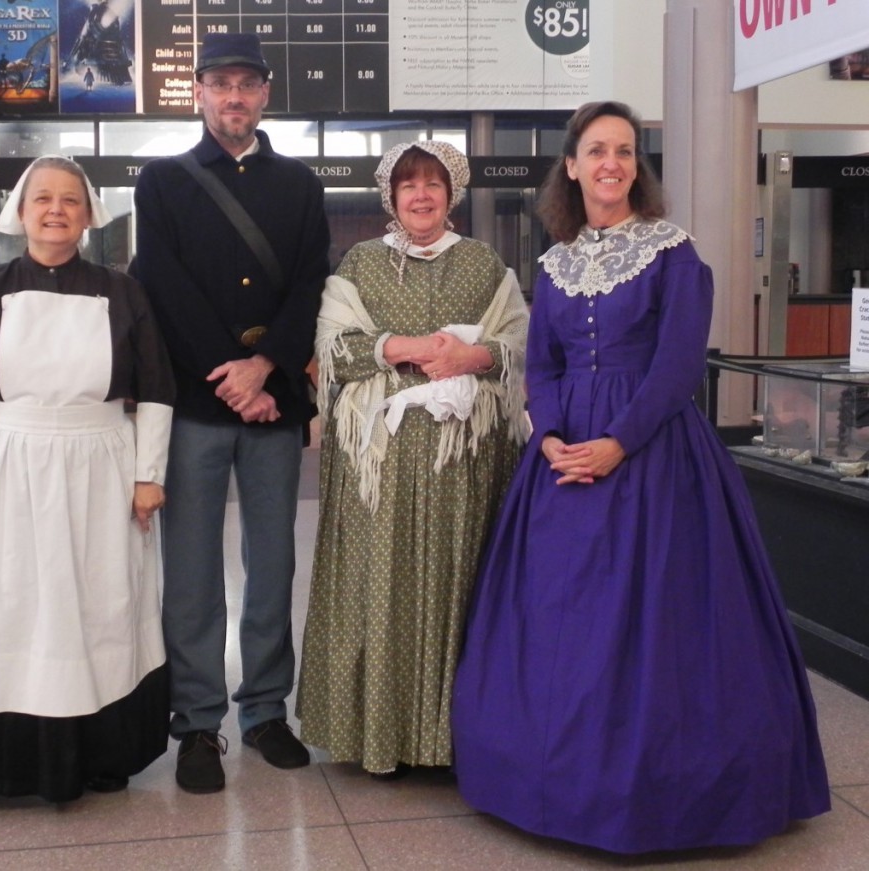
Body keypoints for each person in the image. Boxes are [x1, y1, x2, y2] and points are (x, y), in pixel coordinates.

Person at [451, 102, 831, 853]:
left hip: (654, 456)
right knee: (559, 613)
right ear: (572, 165)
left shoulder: (674, 254)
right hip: (562, 461)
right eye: (597, 150)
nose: (612, 164)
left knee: (660, 614)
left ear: (636, 166)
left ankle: (661, 788)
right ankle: (548, 778)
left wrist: (617, 442)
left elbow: (678, 365)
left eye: (625, 151)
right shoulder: (554, 262)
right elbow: (546, 360)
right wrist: (553, 434)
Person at [0, 155, 175, 820]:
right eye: (43, 199)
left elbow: (155, 389)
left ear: (89, 213)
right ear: (21, 210)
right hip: (3, 468)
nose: (56, 210)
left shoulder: (122, 292)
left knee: (94, 606)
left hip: (98, 471)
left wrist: (149, 475)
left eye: (69, 200)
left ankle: (97, 753)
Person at [132, 32, 331, 794]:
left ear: (265, 95)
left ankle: (265, 711)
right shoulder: (163, 182)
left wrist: (266, 366)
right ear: (201, 95)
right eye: (221, 85)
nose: (235, 98)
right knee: (189, 568)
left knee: (273, 561)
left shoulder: (300, 183)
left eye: (248, 84)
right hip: (196, 401)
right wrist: (229, 374)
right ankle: (196, 721)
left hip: (274, 403)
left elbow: (312, 279)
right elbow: (163, 285)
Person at [296, 141, 529, 778]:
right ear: (390, 196)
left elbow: (516, 346)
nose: (421, 195)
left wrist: (470, 357)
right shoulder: (361, 263)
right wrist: (399, 345)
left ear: (452, 193)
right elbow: (334, 350)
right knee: (380, 589)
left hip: (464, 470)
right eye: (408, 186)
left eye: (433, 184)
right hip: (379, 471)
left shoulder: (485, 265)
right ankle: (378, 733)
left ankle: (455, 737)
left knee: (460, 587)